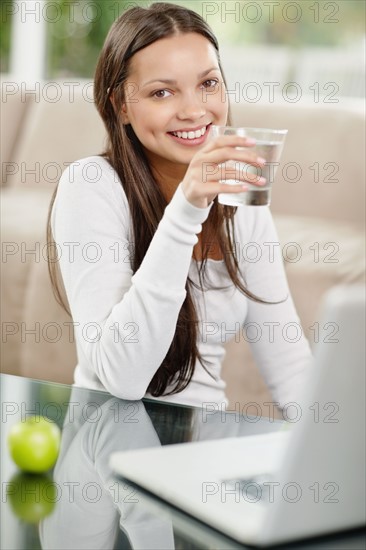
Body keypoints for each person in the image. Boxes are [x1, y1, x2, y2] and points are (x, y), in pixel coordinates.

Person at [48, 2, 312, 410]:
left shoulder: (241, 203)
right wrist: (187, 208)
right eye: (162, 92)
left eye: (208, 84)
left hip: (202, 452)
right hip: (105, 447)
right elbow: (124, 376)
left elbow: (292, 370)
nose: (193, 111)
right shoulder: (92, 184)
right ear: (120, 105)